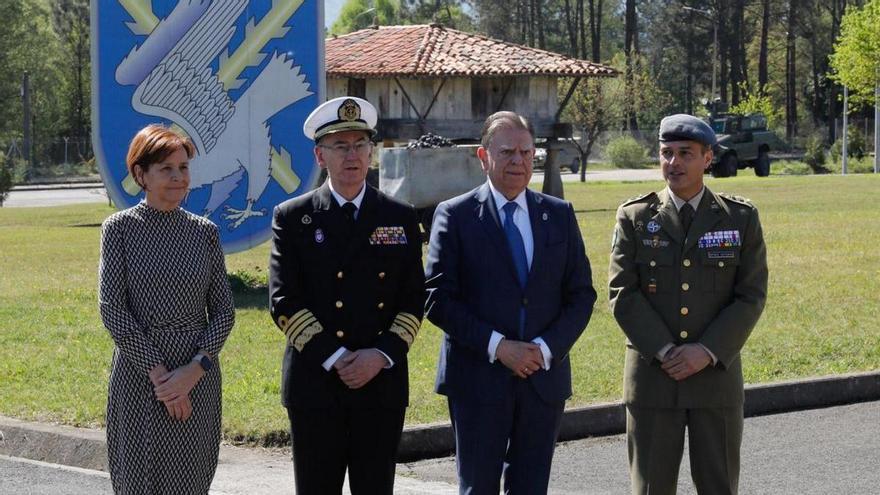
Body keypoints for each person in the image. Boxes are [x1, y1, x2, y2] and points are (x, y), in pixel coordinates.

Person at [425, 111, 597, 494]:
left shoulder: (559, 215)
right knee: (478, 488)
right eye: (507, 153)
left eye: (525, 152)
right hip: (478, 382)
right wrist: (499, 347)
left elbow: (582, 295)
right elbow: (437, 297)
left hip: (542, 380)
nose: (518, 162)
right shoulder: (454, 216)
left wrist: (544, 349)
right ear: (483, 157)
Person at [268, 96, 425, 494]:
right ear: (320, 156)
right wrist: (338, 359)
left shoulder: (400, 217)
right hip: (316, 383)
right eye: (340, 146)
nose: (351, 155)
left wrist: (379, 356)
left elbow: (412, 300)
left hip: (381, 383)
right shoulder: (294, 217)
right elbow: (284, 301)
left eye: (359, 145)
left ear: (372, 152)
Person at [609, 114, 768, 495]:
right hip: (653, 378)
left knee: (718, 486)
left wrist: (706, 350)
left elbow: (750, 295)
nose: (674, 163)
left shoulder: (740, 217)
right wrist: (665, 350)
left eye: (685, 153)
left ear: (708, 158)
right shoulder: (635, 216)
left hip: (714, 377)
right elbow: (622, 292)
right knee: (651, 488)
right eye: (666, 153)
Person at [99, 124, 235, 494]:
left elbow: (224, 311)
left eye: (183, 168)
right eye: (166, 169)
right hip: (141, 375)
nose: (178, 178)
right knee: (140, 480)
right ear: (141, 174)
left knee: (191, 479)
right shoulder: (120, 229)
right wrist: (162, 378)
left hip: (198, 376)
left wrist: (193, 371)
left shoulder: (204, 232)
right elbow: (112, 307)